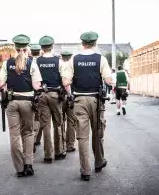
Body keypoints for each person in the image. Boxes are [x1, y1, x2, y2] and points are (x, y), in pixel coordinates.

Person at [62, 31, 112, 181]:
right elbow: (109, 80)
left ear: (82, 44)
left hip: (79, 101)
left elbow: (65, 82)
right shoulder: (100, 59)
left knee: (82, 137)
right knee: (97, 132)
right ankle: (99, 162)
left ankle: (85, 170)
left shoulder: (73, 60)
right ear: (95, 44)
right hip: (96, 101)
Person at [0, 34, 42, 177]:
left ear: (15, 48)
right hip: (27, 102)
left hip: (12, 102)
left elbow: (0, 84)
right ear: (26, 48)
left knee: (14, 135)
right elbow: (36, 86)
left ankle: (19, 169)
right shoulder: (32, 63)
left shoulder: (7, 63)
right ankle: (29, 164)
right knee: (28, 132)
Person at [36, 35, 66, 163]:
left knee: (46, 125)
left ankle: (48, 155)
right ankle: (58, 152)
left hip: (42, 94)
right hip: (55, 94)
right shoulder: (58, 61)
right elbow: (64, 79)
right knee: (58, 123)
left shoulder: (36, 62)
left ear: (42, 48)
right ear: (52, 46)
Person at [60, 50, 77, 153]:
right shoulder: (73, 67)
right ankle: (70, 145)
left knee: (60, 121)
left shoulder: (60, 66)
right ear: (70, 57)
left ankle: (61, 145)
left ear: (62, 57)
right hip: (71, 97)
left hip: (60, 97)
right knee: (71, 122)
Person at [29, 44, 43, 150]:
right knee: (38, 118)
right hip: (40, 93)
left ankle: (30, 140)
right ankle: (36, 139)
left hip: (28, 93)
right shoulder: (41, 61)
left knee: (28, 119)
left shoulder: (28, 61)